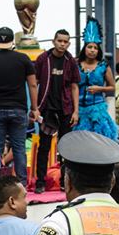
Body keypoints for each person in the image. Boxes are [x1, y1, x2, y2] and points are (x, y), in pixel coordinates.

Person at [0, 26, 40, 186]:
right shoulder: (23, 59)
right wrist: (34, 108)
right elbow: (33, 85)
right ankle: (22, 185)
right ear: (13, 42)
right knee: (19, 149)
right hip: (19, 110)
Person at [33, 29, 80, 194]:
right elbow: (34, 83)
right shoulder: (43, 59)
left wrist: (76, 111)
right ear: (54, 41)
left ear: (69, 43)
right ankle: (40, 182)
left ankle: (65, 182)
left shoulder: (71, 61)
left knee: (66, 148)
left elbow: (74, 86)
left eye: (65, 41)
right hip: (46, 109)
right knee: (44, 147)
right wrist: (34, 108)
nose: (62, 44)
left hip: (65, 109)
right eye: (59, 41)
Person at [75, 18, 118, 140]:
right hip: (78, 109)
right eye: (90, 47)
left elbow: (112, 86)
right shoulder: (76, 65)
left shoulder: (103, 66)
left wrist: (100, 88)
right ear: (85, 48)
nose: (92, 50)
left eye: (95, 47)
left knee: (100, 140)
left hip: (97, 109)